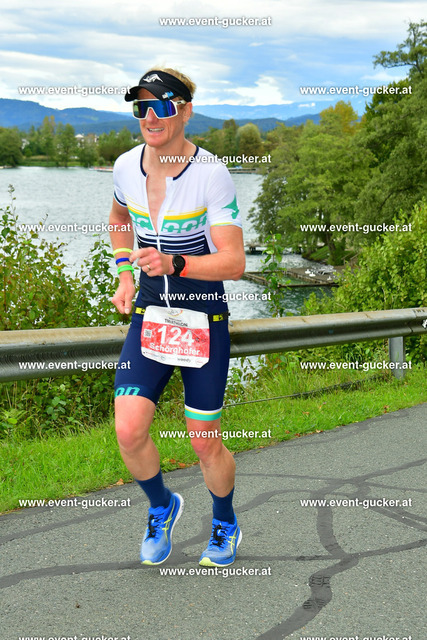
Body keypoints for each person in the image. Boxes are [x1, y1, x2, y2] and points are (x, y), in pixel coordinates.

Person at [108, 68, 245, 567]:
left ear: (185, 111)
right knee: (129, 429)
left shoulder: (210, 173)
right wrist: (125, 274)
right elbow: (119, 220)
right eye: (140, 107)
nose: (150, 116)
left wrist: (175, 263)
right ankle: (162, 506)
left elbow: (234, 262)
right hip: (150, 315)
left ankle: (224, 521)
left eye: (162, 105)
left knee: (204, 441)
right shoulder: (125, 166)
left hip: (202, 319)